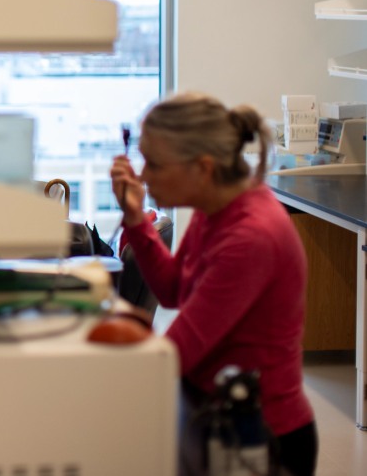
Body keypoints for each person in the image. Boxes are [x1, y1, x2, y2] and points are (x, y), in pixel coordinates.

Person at [109, 92, 317, 476]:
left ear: (203, 168)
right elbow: (173, 290)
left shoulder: (250, 235)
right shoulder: (216, 209)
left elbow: (180, 352)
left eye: (153, 163)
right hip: (215, 412)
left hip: (260, 435)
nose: (143, 175)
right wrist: (136, 219)